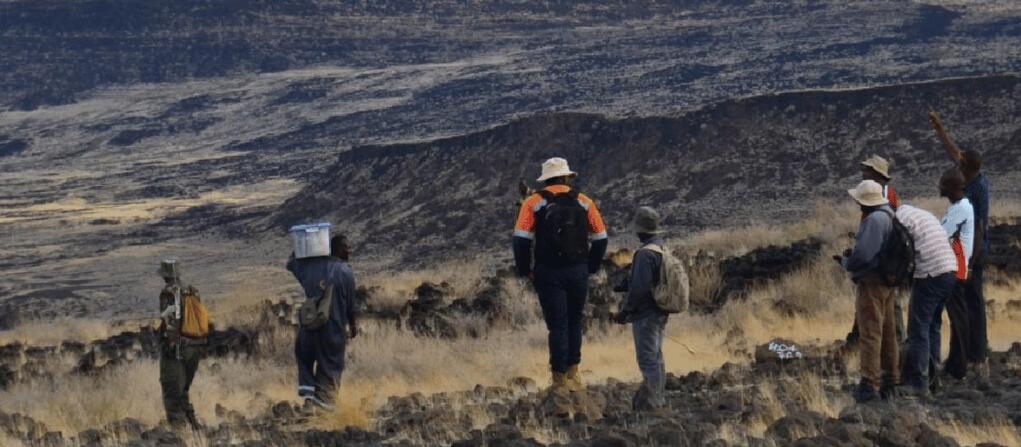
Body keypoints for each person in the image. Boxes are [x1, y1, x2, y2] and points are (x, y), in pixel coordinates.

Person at [513, 157, 609, 394]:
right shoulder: (585, 202)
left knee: (557, 325)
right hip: (578, 270)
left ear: (545, 180)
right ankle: (573, 373)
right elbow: (601, 237)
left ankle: (558, 380)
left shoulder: (533, 203)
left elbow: (521, 240)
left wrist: (526, 270)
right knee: (575, 321)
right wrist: (591, 267)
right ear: (567, 177)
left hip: (548, 271)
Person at [930, 112, 990, 376]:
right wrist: (939, 128)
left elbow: (978, 229)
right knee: (970, 305)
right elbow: (954, 152)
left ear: (966, 168)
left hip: (972, 255)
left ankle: (971, 357)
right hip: (968, 253)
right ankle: (972, 355)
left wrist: (968, 262)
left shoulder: (975, 190)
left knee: (969, 307)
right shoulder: (975, 177)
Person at [836, 180, 898, 402]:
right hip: (888, 280)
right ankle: (891, 379)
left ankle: (869, 384)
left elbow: (863, 255)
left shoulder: (874, 220)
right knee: (889, 332)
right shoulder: (889, 214)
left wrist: (847, 262)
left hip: (872, 280)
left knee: (870, 332)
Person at [287, 235, 358, 411]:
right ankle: (323, 411)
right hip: (333, 331)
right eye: (346, 247)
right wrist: (353, 325)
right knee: (331, 366)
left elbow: (291, 262)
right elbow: (350, 305)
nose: (350, 251)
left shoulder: (311, 267)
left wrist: (305, 244)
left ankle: (308, 396)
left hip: (309, 328)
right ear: (337, 249)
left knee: (304, 357)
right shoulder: (346, 272)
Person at [893, 204, 958, 398]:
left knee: (918, 328)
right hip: (949, 270)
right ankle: (932, 378)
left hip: (930, 273)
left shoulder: (898, 221)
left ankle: (918, 382)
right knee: (932, 326)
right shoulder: (918, 213)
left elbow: (903, 250)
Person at [612, 207, 669, 411]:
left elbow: (640, 289)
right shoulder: (661, 248)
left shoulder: (645, 254)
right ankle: (659, 399)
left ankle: (653, 403)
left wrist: (625, 312)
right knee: (657, 357)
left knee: (647, 359)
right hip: (660, 311)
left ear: (641, 230)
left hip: (645, 314)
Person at [846, 155, 904, 347]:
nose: (863, 173)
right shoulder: (880, 193)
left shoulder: (884, 195)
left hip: (881, 261)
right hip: (881, 258)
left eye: (867, 170)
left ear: (877, 174)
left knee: (883, 303)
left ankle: (896, 339)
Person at [156, 259, 206, 430]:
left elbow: (170, 321)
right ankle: (194, 429)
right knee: (183, 390)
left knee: (172, 392)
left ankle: (178, 435)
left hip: (176, 349)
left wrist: (169, 344)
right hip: (194, 348)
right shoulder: (192, 291)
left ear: (165, 276)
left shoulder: (168, 293)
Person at [938, 168, 976, 380]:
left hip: (956, 267)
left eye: (943, 183)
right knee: (957, 316)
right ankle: (955, 361)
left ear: (952, 187)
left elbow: (942, 234)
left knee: (958, 316)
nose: (939, 187)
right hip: (956, 265)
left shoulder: (960, 209)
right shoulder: (960, 207)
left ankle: (959, 365)